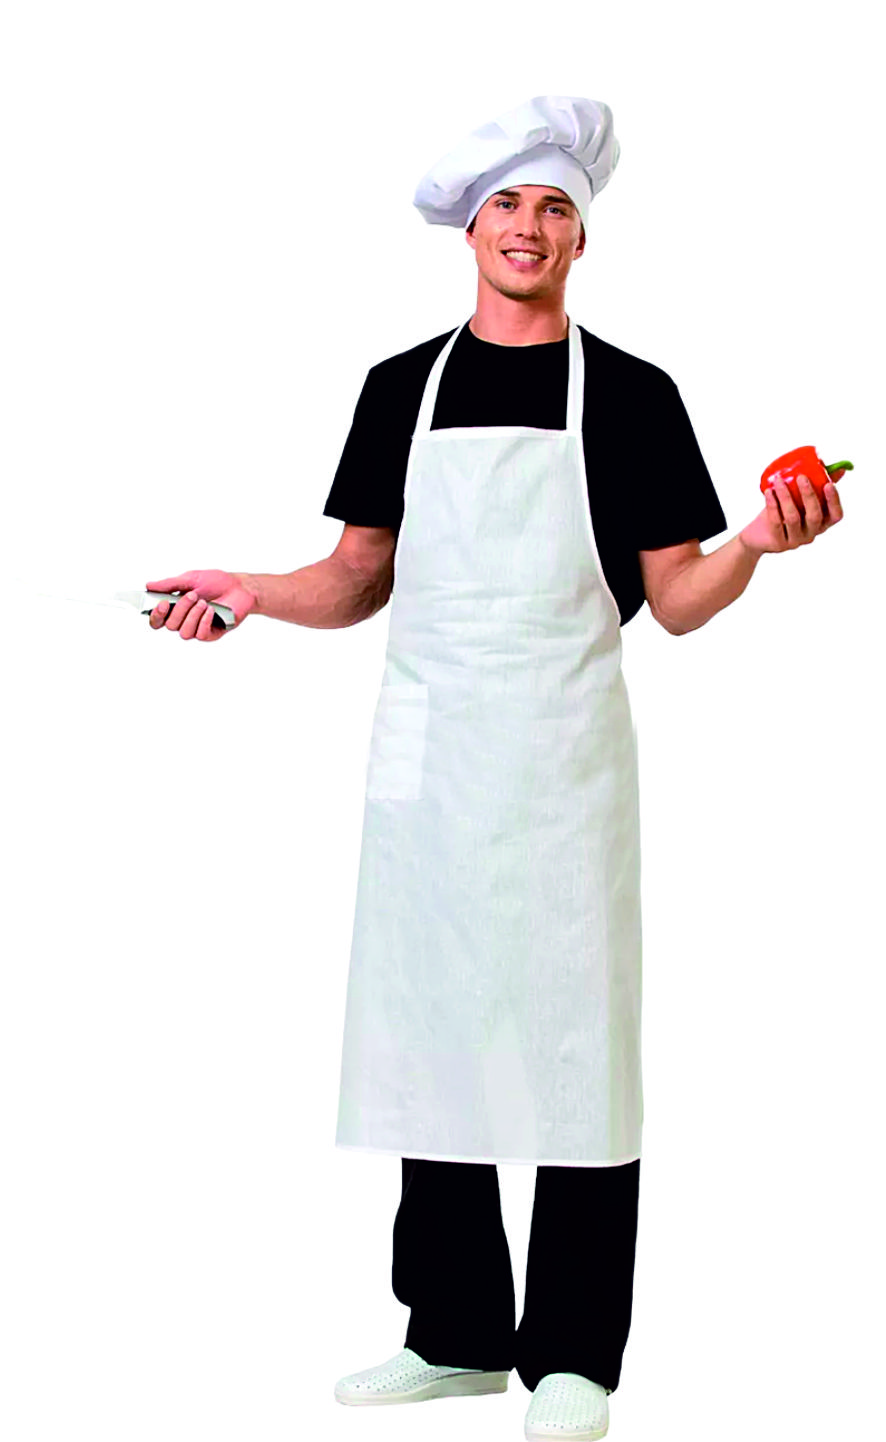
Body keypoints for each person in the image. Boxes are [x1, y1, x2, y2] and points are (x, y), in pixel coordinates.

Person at [146, 95, 845, 1442]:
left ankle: (572, 1353)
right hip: (430, 761)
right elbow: (357, 576)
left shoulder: (633, 395)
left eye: (555, 207)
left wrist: (756, 541)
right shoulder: (396, 388)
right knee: (430, 1034)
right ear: (471, 230)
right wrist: (249, 591)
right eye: (507, 205)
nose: (529, 227)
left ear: (583, 237)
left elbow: (678, 599)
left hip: (562, 759)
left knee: (575, 1045)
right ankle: (456, 1333)